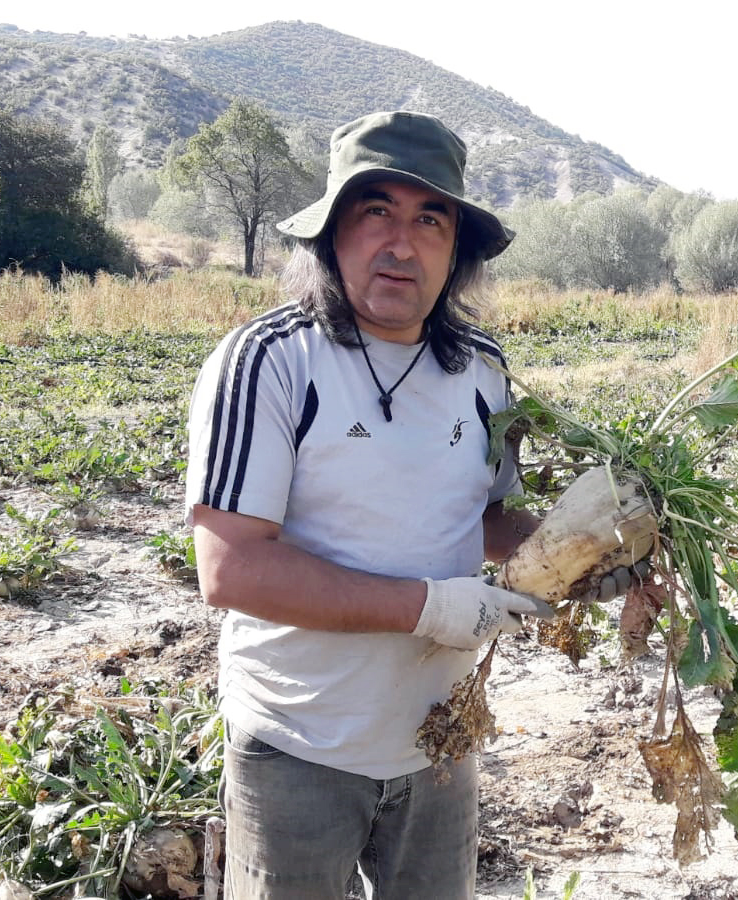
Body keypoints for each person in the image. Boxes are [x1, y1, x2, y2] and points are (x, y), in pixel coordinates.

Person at [184, 110, 556, 899]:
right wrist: (427, 609)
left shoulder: (483, 369)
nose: (402, 242)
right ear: (330, 234)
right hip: (299, 744)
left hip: (441, 742)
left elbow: (487, 517)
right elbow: (232, 568)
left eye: (430, 218)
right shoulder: (270, 362)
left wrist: (592, 550)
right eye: (375, 210)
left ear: (456, 249)